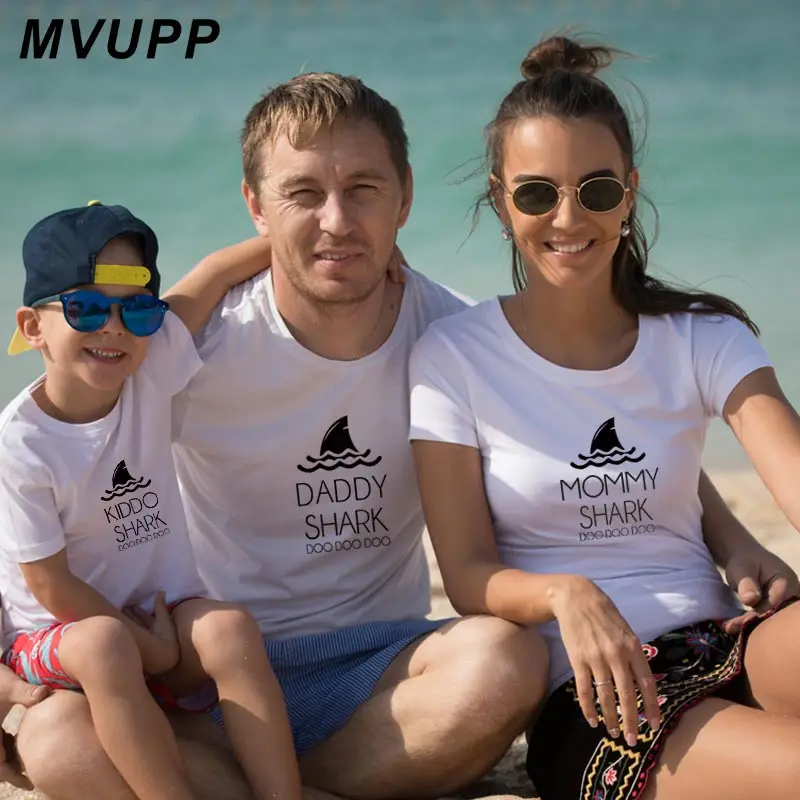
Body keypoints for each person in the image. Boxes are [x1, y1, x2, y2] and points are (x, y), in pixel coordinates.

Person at [8, 73, 799, 800]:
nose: (337, 221)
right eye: (303, 194)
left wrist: (728, 535)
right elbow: (38, 465)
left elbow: (595, 429)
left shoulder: (450, 334)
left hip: (386, 667)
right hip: (218, 672)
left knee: (505, 661)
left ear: (405, 198)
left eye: (363, 191)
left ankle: (278, 785)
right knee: (57, 741)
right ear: (256, 204)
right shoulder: (192, 350)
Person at [408, 33, 800, 800]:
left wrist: (738, 544)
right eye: (536, 193)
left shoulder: (703, 336)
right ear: (501, 201)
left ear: (629, 191)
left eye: (596, 190)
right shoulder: (452, 357)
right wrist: (563, 593)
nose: (567, 217)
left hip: (730, 636)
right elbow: (467, 575)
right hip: (596, 698)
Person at [0, 202, 301, 800]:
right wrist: (152, 648)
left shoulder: (149, 366)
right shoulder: (20, 445)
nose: (113, 328)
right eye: (86, 309)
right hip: (61, 639)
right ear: (33, 327)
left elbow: (212, 276)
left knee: (230, 629)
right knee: (103, 643)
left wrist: (324, 246)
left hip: (154, 615)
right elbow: (51, 587)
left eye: (136, 309)